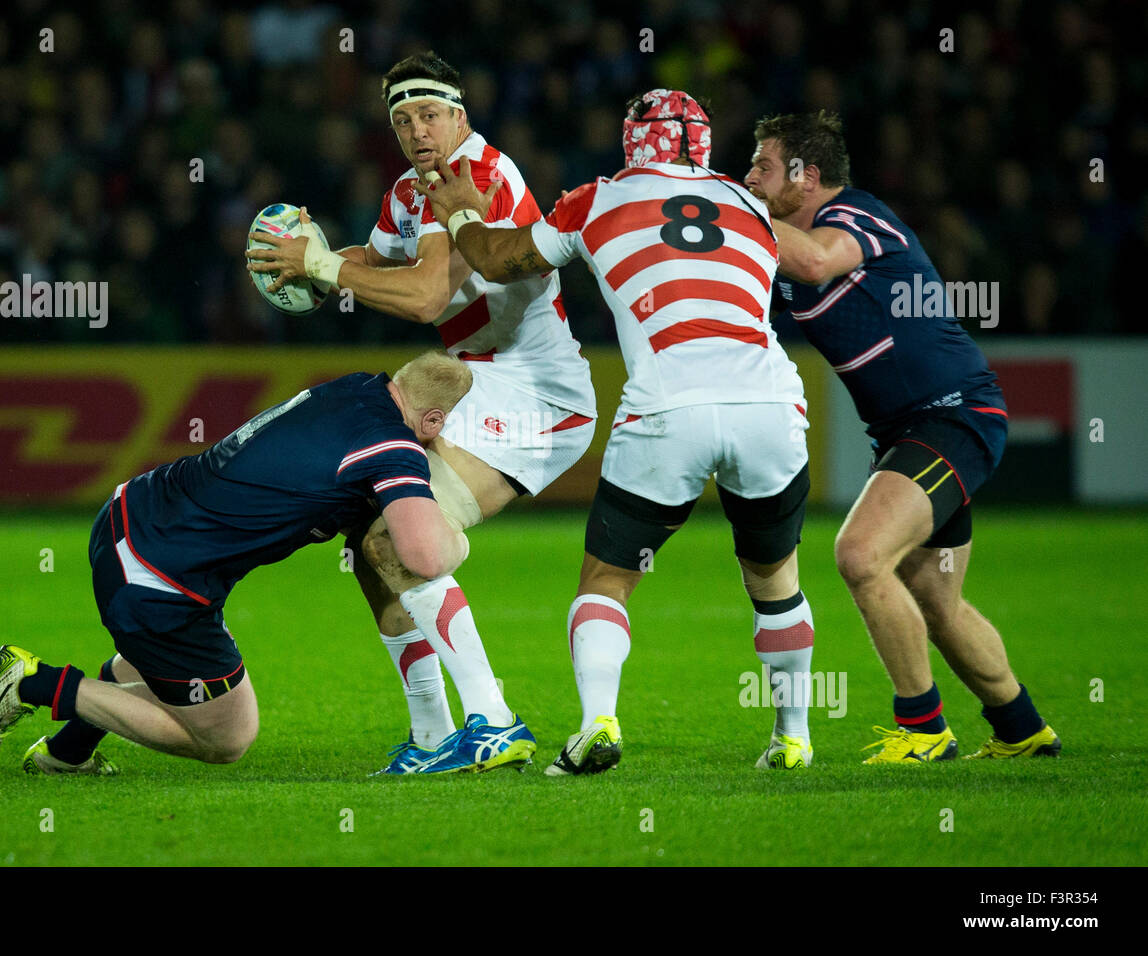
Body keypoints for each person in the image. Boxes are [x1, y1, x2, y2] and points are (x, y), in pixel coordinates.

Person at [422, 89, 821, 773]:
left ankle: (598, 723)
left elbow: (495, 261)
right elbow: (810, 263)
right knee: (775, 578)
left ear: (633, 141)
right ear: (702, 140)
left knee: (606, 580)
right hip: (769, 403)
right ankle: (794, 737)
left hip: (668, 407)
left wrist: (461, 212)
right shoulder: (751, 203)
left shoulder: (596, 199)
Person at [246, 52, 597, 773]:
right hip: (478, 383)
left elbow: (429, 296)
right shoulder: (408, 192)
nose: (417, 130)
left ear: (460, 117)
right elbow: (372, 266)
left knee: (393, 537)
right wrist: (303, 257)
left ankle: (493, 721)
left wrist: (321, 269)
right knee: (364, 537)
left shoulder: (482, 179)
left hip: (538, 397)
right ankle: (435, 733)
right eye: (402, 119)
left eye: (430, 114)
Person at [0, 351, 476, 772]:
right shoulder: (393, 445)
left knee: (167, 665)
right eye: (444, 427)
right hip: (161, 579)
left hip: (131, 513)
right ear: (433, 419)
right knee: (227, 738)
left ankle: (66, 753)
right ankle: (32, 681)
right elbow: (426, 557)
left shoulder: (355, 387)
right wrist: (460, 535)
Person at [743, 110, 1060, 763]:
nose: (750, 178)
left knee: (860, 555)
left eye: (762, 166)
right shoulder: (782, 250)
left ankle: (923, 731)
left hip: (953, 416)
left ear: (807, 176)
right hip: (911, 433)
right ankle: (1022, 729)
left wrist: (731, 208)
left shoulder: (856, 216)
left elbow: (816, 261)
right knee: (937, 601)